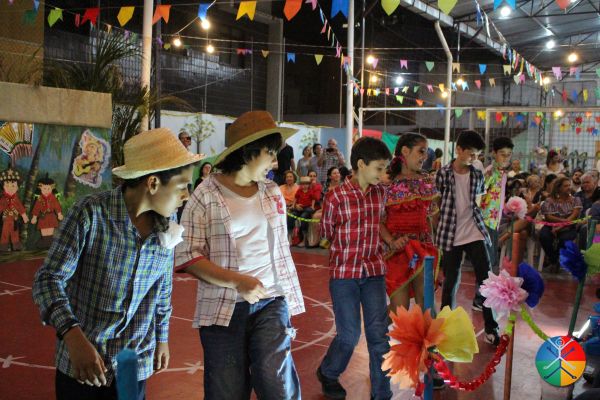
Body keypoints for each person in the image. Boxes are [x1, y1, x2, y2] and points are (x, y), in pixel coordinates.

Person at [32, 128, 202, 400]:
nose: (186, 196)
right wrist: (73, 337)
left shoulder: (166, 228)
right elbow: (48, 280)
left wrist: (162, 338)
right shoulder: (90, 215)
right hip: (83, 365)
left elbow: (162, 292)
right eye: (182, 187)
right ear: (153, 183)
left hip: (132, 364)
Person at [174, 111, 305, 399]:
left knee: (276, 384)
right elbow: (187, 255)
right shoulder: (205, 195)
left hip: (272, 300)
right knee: (227, 391)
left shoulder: (272, 191)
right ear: (248, 152)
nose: (274, 162)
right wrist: (236, 281)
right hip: (223, 309)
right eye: (270, 153)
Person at [317, 136, 392, 400]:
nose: (383, 174)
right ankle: (328, 372)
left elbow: (381, 222)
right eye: (379, 168)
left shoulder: (380, 194)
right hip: (344, 275)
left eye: (385, 169)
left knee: (379, 336)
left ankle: (382, 393)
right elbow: (326, 232)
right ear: (361, 164)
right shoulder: (335, 196)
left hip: (374, 273)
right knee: (349, 335)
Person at [436, 130, 500, 346]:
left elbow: (477, 203)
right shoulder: (442, 174)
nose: (474, 158)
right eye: (471, 154)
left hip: (474, 231)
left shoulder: (477, 175)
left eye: (477, 155)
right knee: (451, 281)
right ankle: (445, 327)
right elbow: (436, 203)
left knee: (486, 279)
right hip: (450, 233)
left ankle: (491, 326)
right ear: (459, 150)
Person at [379, 133, 440, 312]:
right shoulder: (386, 184)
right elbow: (378, 221)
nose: (425, 157)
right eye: (421, 151)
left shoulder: (427, 181)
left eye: (426, 152)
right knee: (400, 309)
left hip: (423, 249)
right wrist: (391, 241)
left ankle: (429, 333)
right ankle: (375, 327)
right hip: (396, 252)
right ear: (405, 151)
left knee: (427, 305)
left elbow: (432, 219)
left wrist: (436, 249)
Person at [473, 136, 513, 312]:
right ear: (494, 153)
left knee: (491, 261)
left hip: (494, 222)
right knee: (486, 263)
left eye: (508, 154)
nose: (505, 158)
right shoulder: (490, 173)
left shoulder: (502, 173)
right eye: (502, 154)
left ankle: (483, 297)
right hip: (485, 222)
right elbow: (477, 196)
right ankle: (479, 299)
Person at [539, 176, 582, 272]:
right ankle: (554, 260)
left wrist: (560, 227)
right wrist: (562, 221)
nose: (569, 187)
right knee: (544, 236)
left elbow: (574, 216)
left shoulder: (576, 200)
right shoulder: (549, 200)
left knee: (564, 239)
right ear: (558, 188)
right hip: (551, 225)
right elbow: (548, 217)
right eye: (565, 186)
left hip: (569, 227)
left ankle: (553, 260)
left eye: (569, 185)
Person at [30, 174, 63, 249]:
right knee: (44, 231)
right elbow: (36, 208)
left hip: (52, 216)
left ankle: (50, 244)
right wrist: (34, 217)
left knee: (50, 231)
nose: (46, 191)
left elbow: (57, 206)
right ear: (40, 189)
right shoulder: (39, 199)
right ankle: (44, 243)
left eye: (48, 189)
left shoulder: (53, 198)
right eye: (44, 188)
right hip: (43, 217)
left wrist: (59, 214)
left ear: (52, 189)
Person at [291, 177, 316, 247]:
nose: (304, 186)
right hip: (300, 207)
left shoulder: (310, 191)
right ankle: (292, 236)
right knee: (292, 214)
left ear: (309, 185)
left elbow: (313, 199)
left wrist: (312, 206)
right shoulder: (299, 191)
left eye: (306, 184)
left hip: (307, 207)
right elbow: (296, 198)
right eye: (303, 184)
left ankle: (304, 237)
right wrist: (293, 205)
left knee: (304, 216)